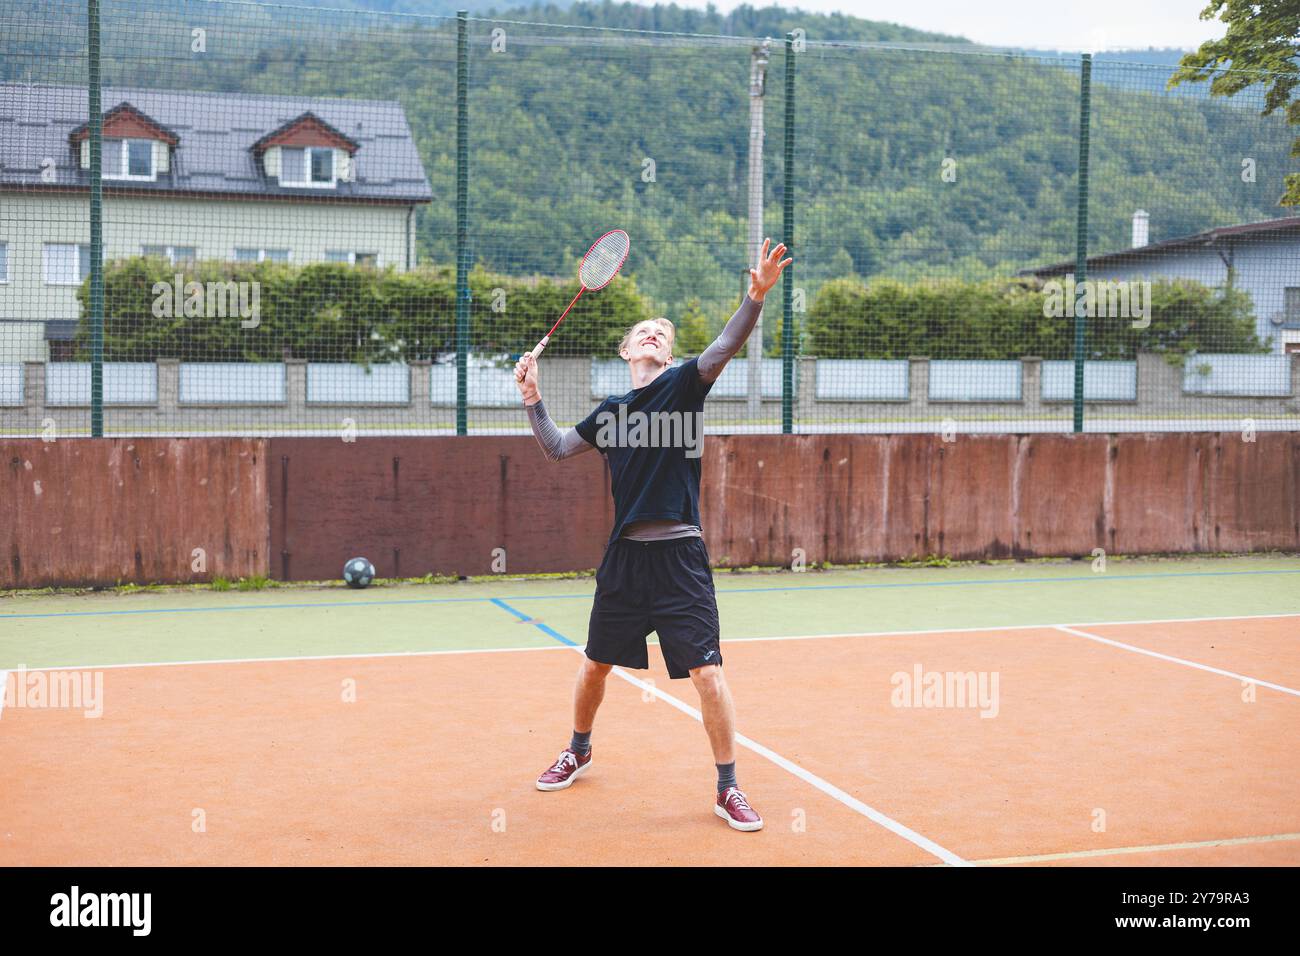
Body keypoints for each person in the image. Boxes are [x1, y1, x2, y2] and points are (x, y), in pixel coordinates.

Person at [513, 239, 792, 831]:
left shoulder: (685, 386)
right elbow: (558, 449)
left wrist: (755, 298)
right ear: (625, 349)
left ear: (669, 354)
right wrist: (533, 399)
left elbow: (723, 347)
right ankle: (578, 748)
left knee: (708, 673)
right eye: (644, 331)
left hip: (681, 558)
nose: (654, 336)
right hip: (625, 562)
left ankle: (727, 787)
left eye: (663, 334)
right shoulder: (611, 412)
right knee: (593, 667)